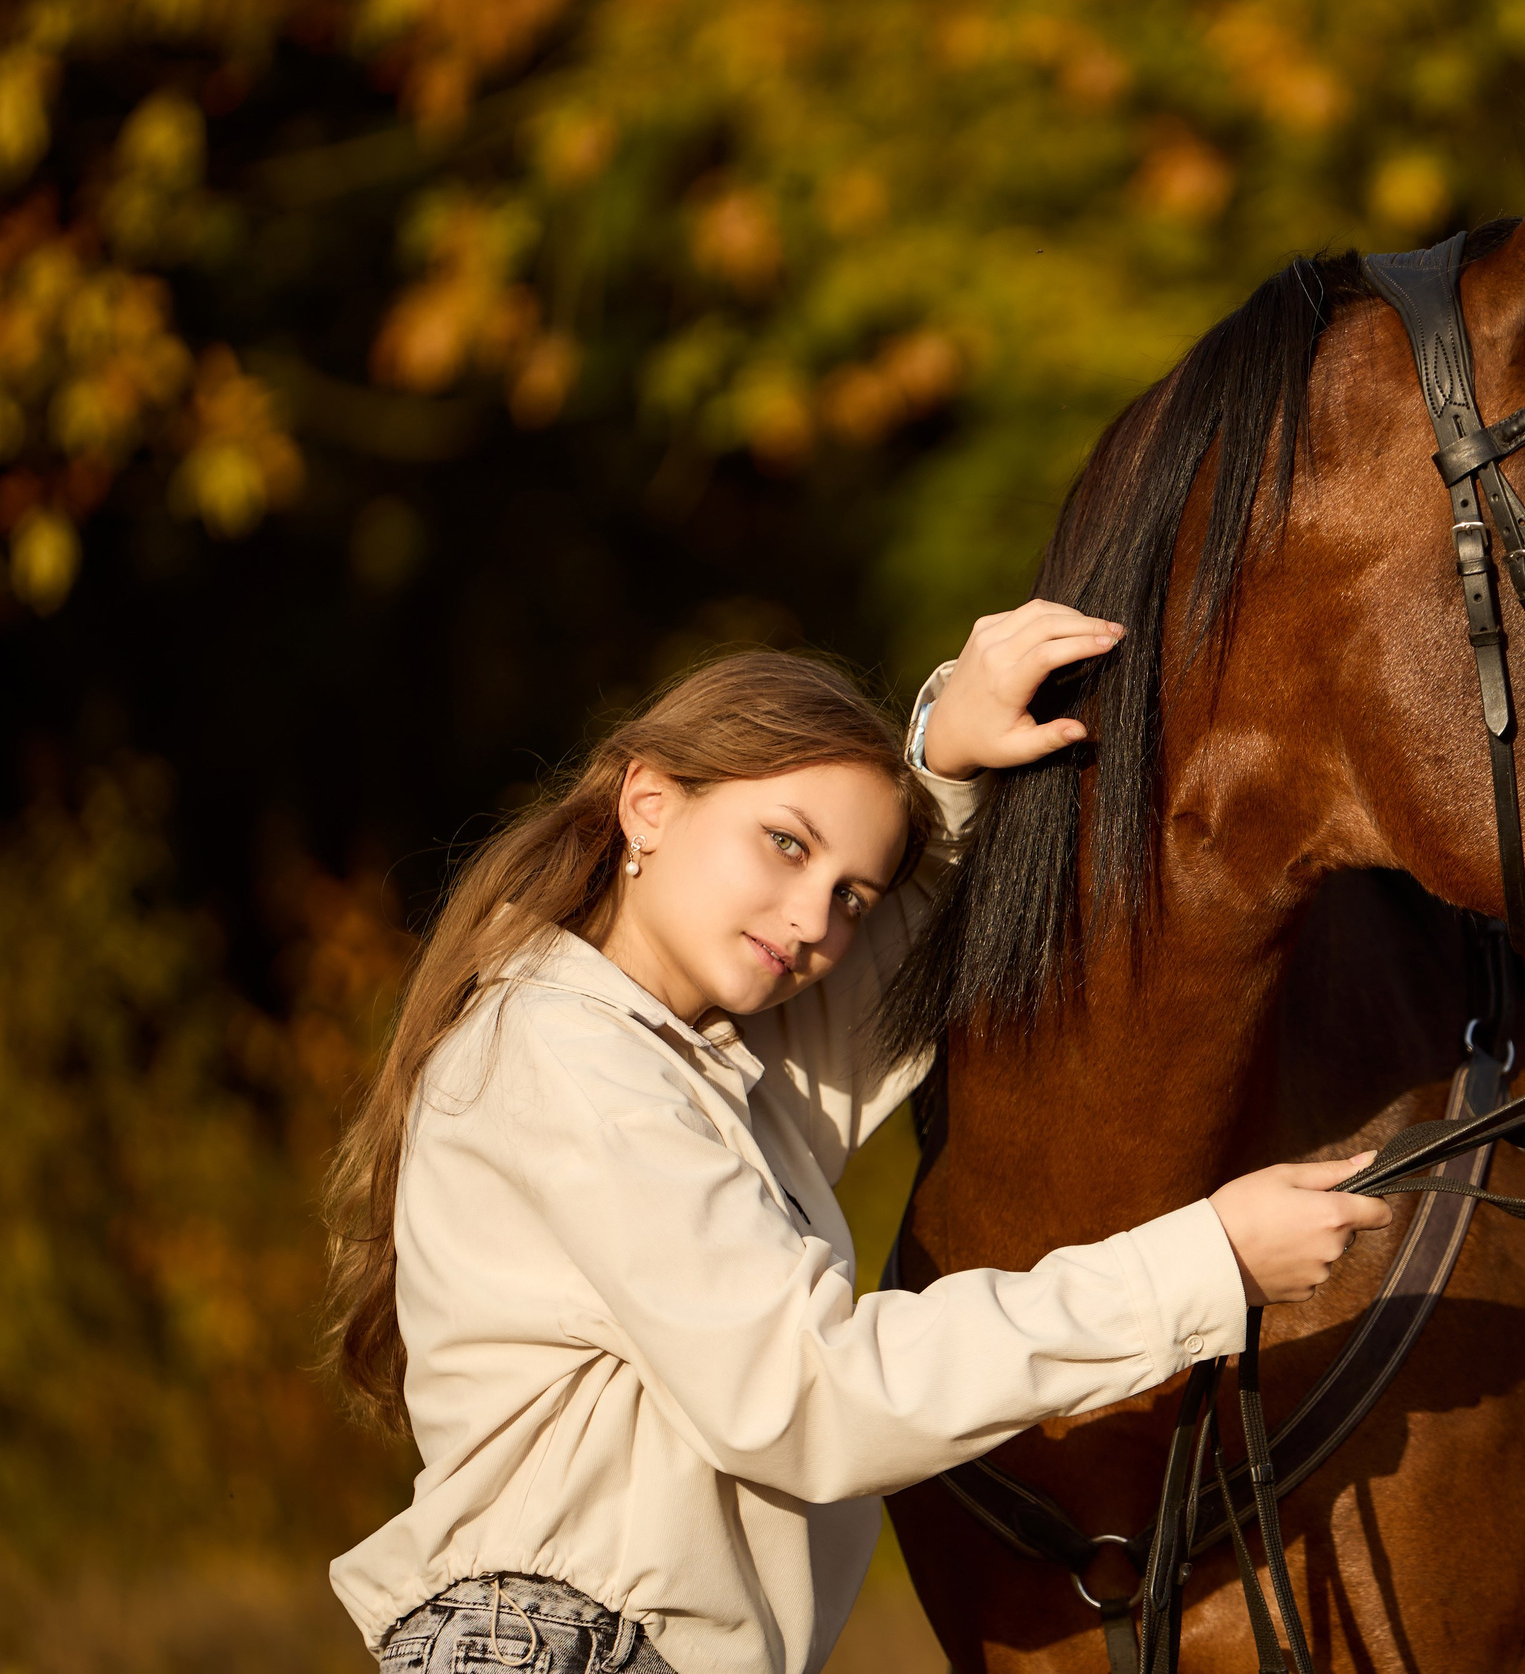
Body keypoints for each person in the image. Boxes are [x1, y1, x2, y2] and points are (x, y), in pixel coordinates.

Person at [322, 600, 1393, 1674]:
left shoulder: (687, 1060)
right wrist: (1201, 1265)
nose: (810, 923)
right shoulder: (570, 1059)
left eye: (849, 895)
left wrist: (944, 751)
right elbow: (811, 1394)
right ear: (646, 803)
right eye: (782, 845)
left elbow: (879, 981)